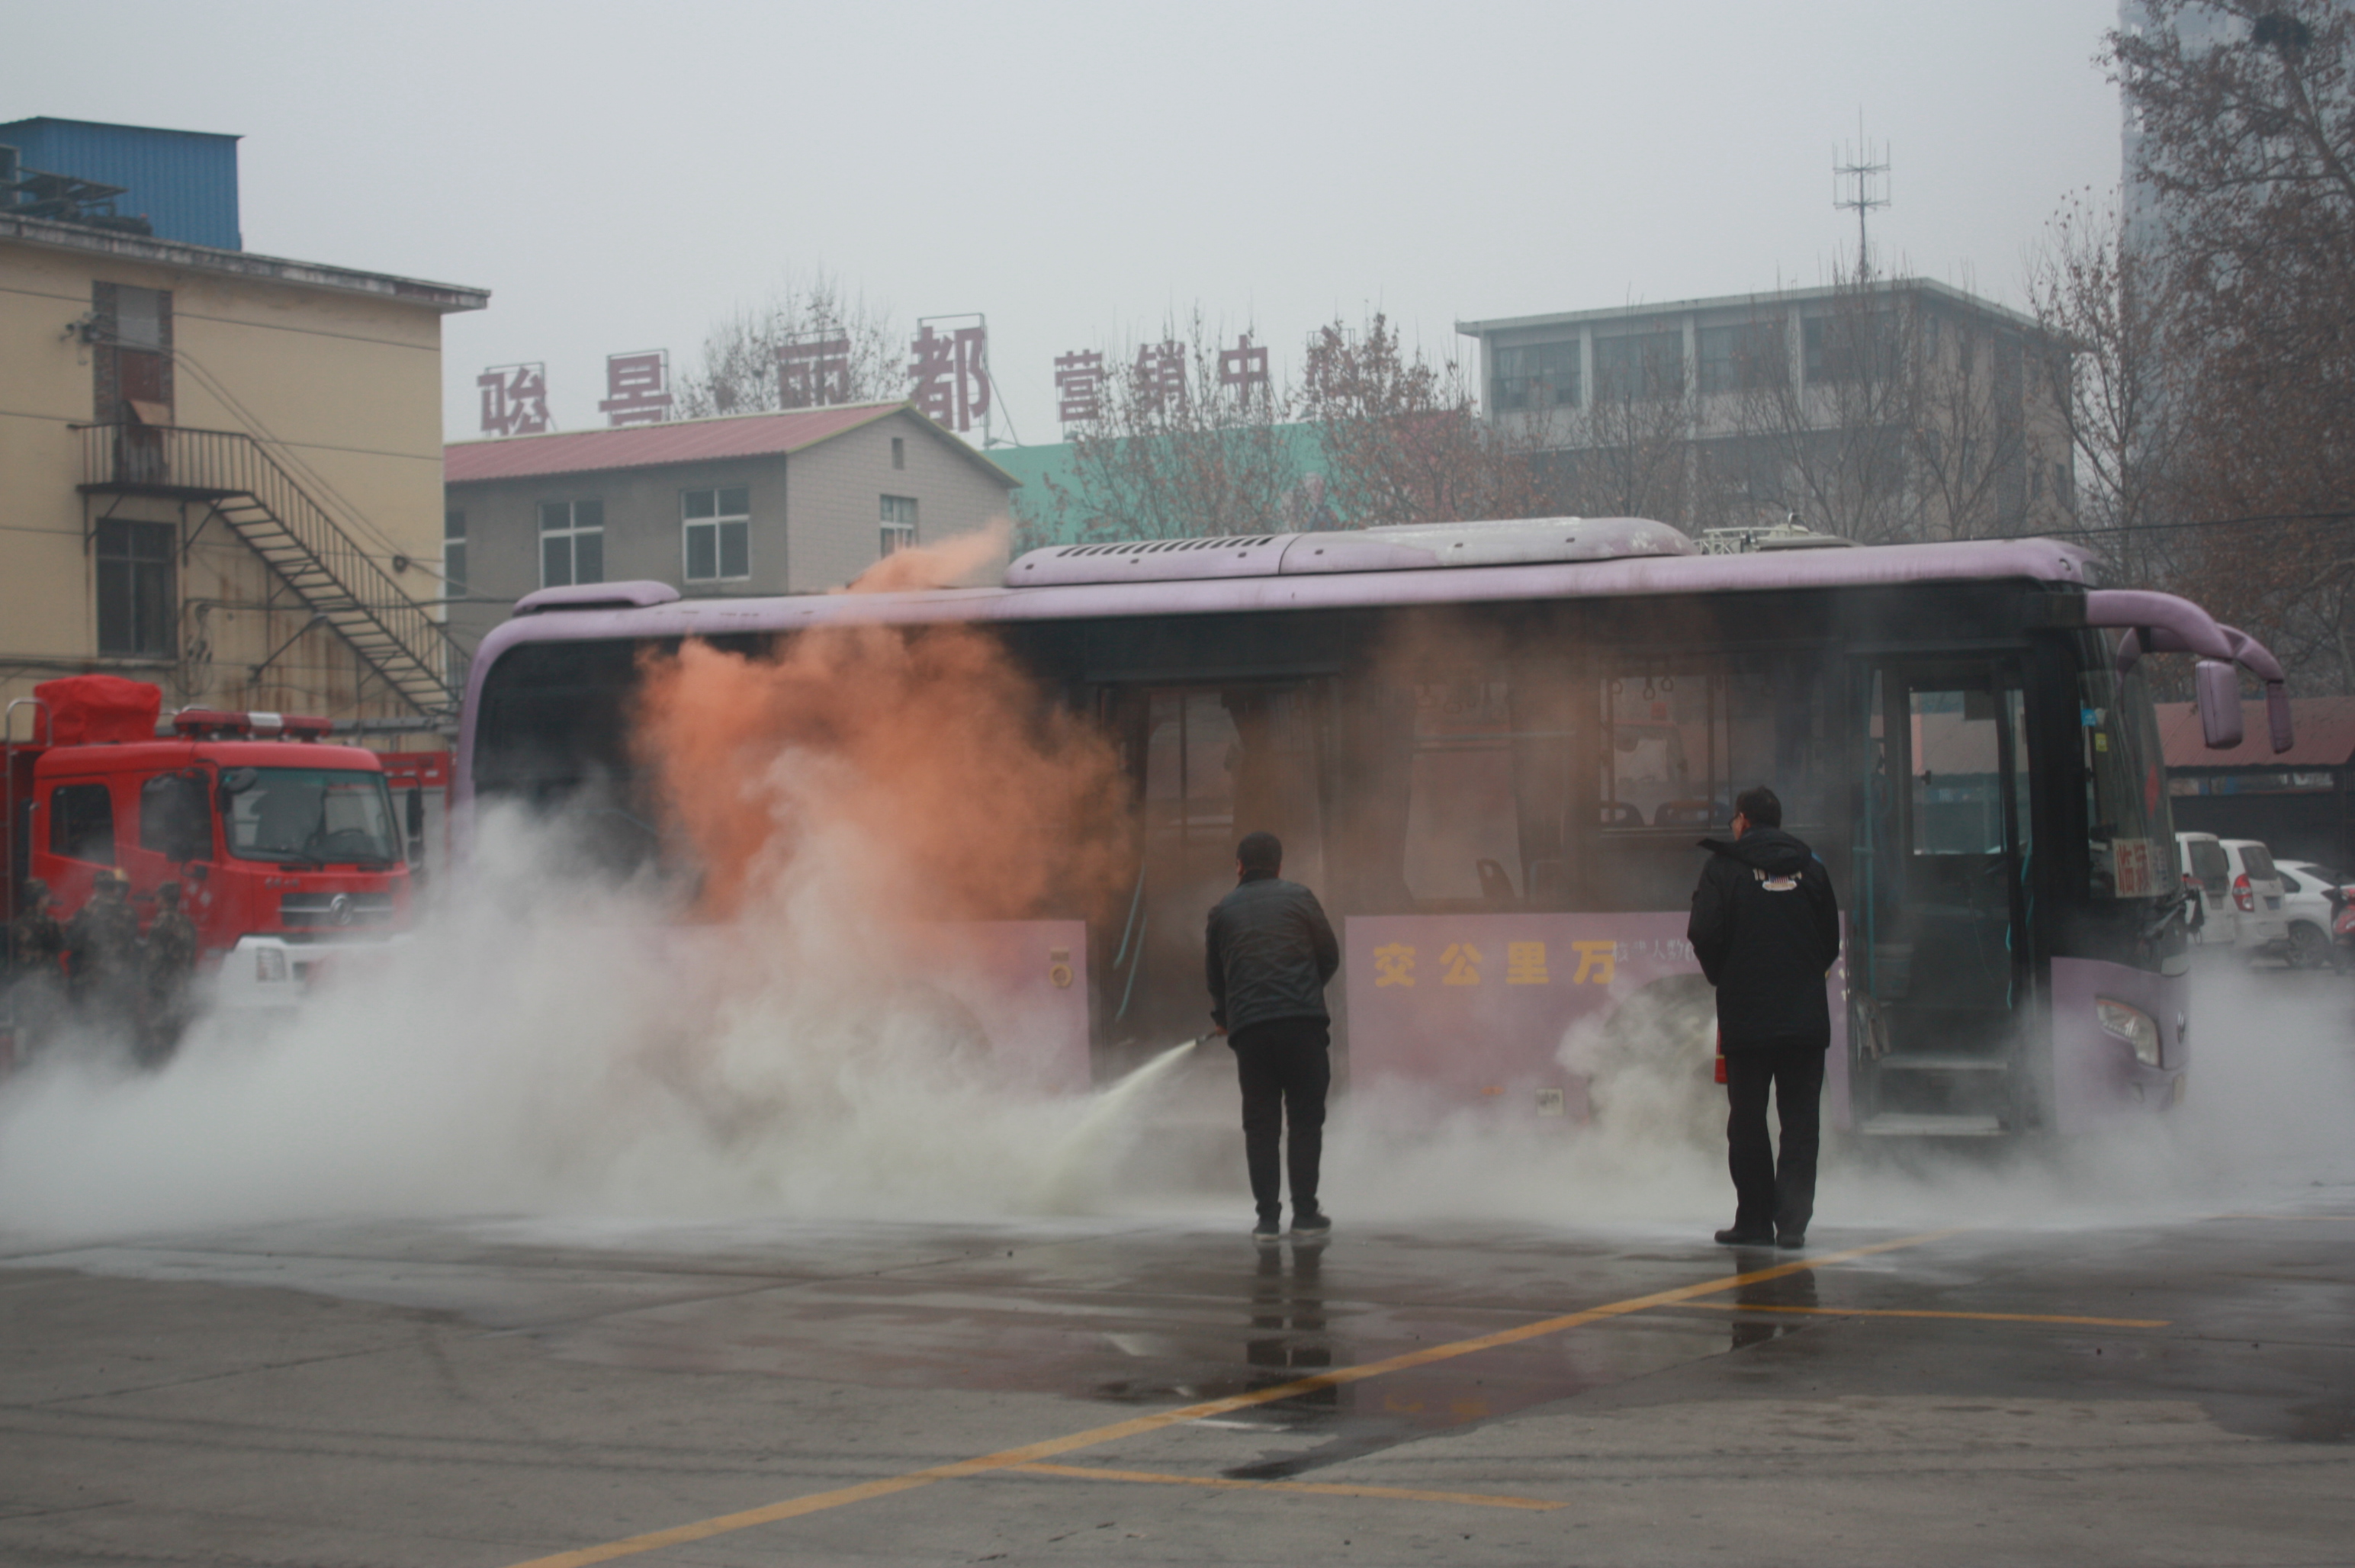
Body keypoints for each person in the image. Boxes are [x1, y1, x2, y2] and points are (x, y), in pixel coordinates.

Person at [1687, 786, 1841, 1250]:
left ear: (1743, 821)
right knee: (1800, 1123)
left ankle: (1753, 1222)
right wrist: (1803, 979)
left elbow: (1704, 932)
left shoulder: (1722, 868)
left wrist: (1726, 976)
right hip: (1804, 1021)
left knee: (1748, 1122)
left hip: (1747, 1018)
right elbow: (1828, 942)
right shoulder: (1811, 867)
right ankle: (1792, 1226)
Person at [1206, 831, 1340, 1243]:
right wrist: (1305, 990)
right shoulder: (1300, 898)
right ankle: (1305, 1215)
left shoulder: (1221, 912)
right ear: (1280, 866)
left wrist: (1225, 1018)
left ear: (1239, 866)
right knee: (1304, 1121)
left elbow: (1216, 978)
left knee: (1261, 1125)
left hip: (1252, 1033)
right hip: (1302, 1025)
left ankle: (1266, 1221)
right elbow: (1329, 955)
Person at [64, 869, 143, 1040]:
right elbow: (132, 942)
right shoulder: (130, 912)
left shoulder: (88, 911)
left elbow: (72, 943)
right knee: (119, 1025)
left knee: (94, 1026)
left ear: (97, 888)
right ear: (114, 888)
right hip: (120, 979)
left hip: (94, 980)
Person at [140, 881, 200, 1065]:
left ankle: (159, 1071)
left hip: (163, 989)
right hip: (183, 986)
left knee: (160, 1033)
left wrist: (146, 984)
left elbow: (153, 959)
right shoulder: (187, 923)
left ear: (162, 899)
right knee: (180, 1033)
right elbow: (192, 958)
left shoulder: (160, 923)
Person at [7, 878, 66, 1062]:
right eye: (46, 895)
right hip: (47, 986)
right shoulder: (49, 924)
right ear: (40, 899)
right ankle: (47, 1068)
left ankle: (29, 1069)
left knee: (28, 1031)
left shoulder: (15, 925)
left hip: (24, 986)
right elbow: (60, 946)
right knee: (48, 1032)